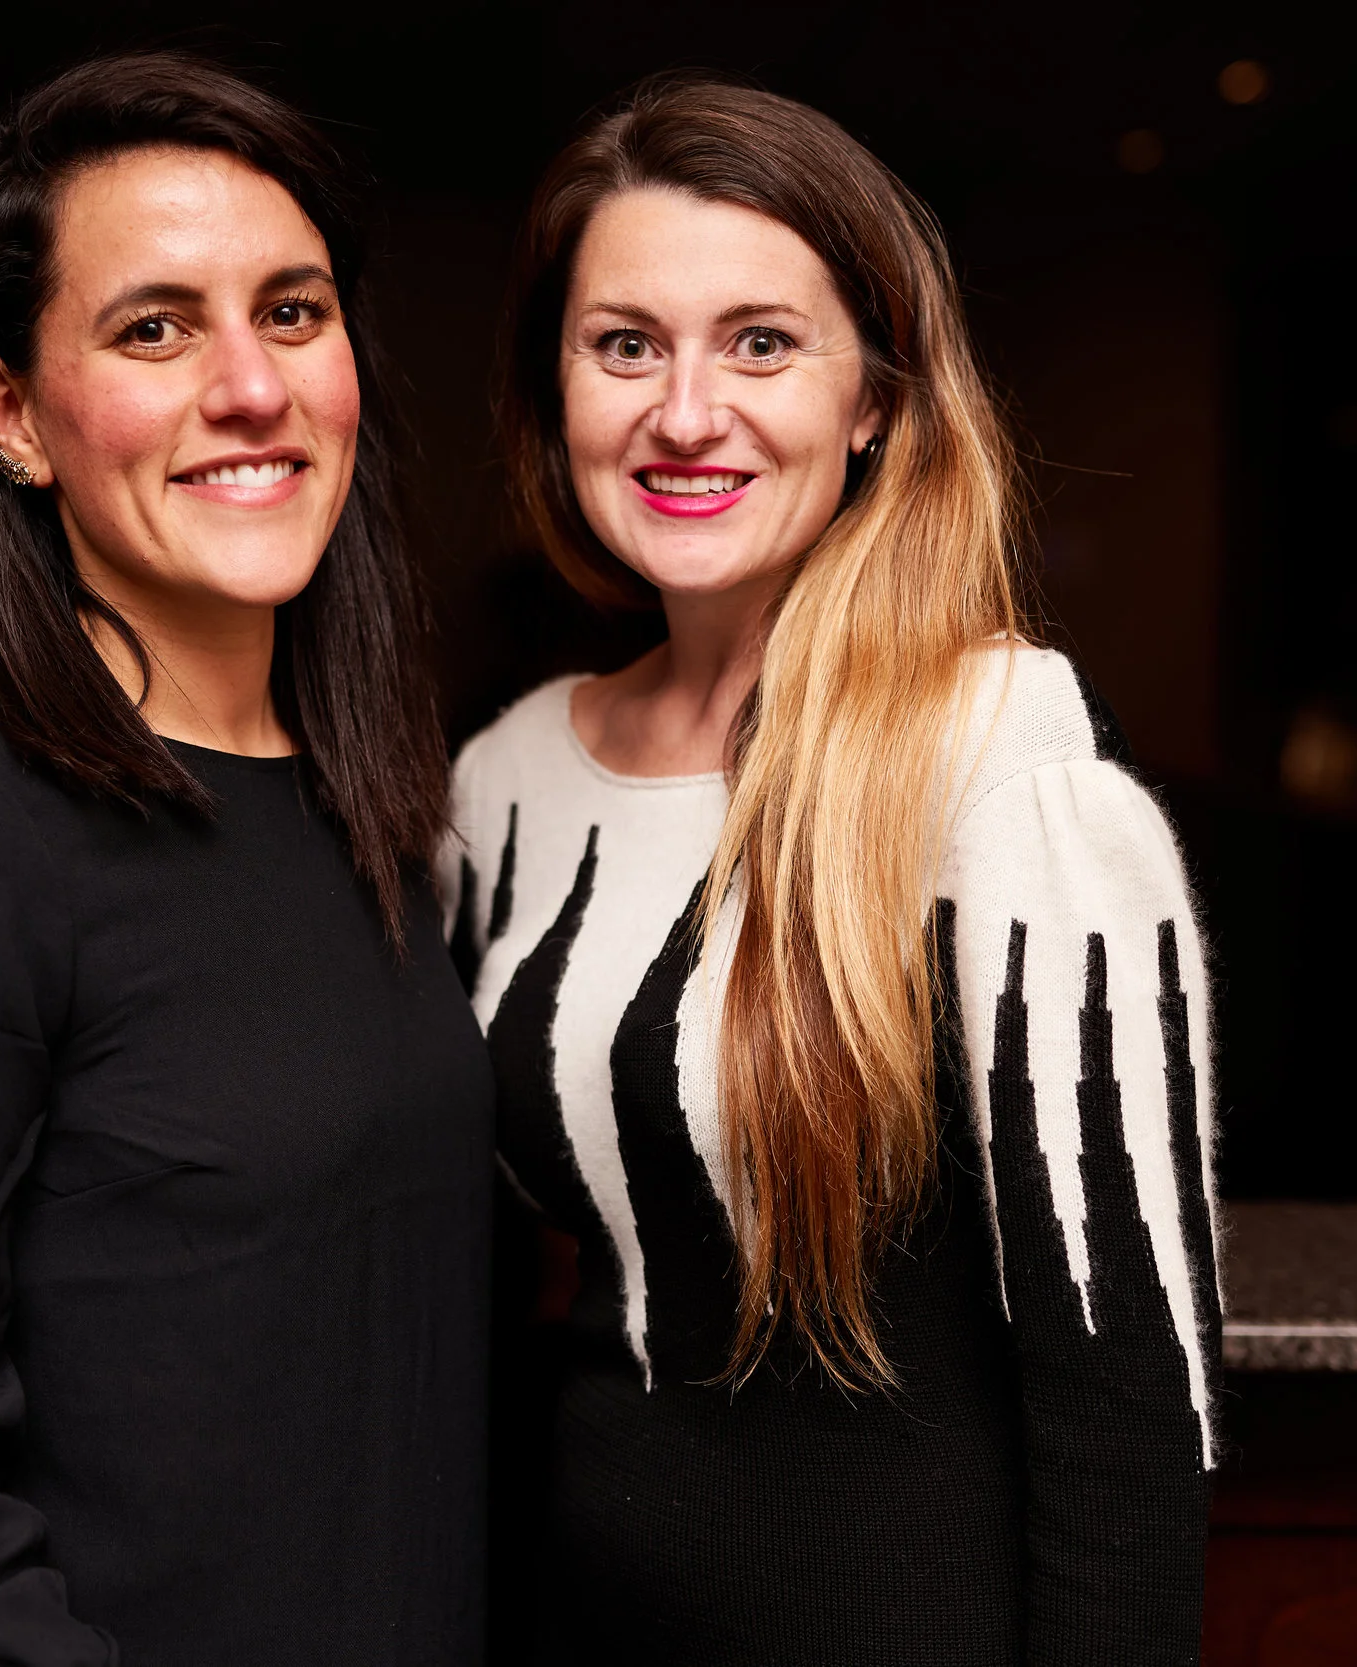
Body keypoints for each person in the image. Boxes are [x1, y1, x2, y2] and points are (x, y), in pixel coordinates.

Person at [0, 53, 491, 1667]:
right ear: (13, 416)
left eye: (294, 311)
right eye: (155, 328)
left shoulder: (373, 792)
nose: (252, 386)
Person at [445, 77, 1220, 1664]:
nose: (684, 411)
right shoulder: (505, 775)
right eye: (625, 344)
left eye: (761, 341)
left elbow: (1126, 1406)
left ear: (872, 397)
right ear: (558, 388)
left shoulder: (1008, 756)